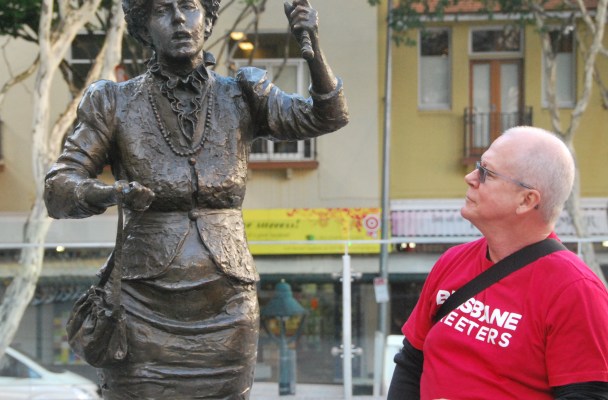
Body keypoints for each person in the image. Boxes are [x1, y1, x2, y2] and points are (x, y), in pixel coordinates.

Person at [44, 0, 348, 398]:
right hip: (142, 307)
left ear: (208, 19)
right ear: (143, 27)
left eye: (189, 6)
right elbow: (58, 187)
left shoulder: (243, 93)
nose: (178, 19)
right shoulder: (113, 102)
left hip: (228, 307)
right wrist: (110, 192)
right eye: (161, 10)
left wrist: (312, 47)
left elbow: (328, 115)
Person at [388, 126, 608, 399]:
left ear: (526, 200)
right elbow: (411, 362)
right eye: (477, 167)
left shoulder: (576, 290)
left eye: (487, 173)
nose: (470, 178)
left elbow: (588, 394)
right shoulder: (452, 262)